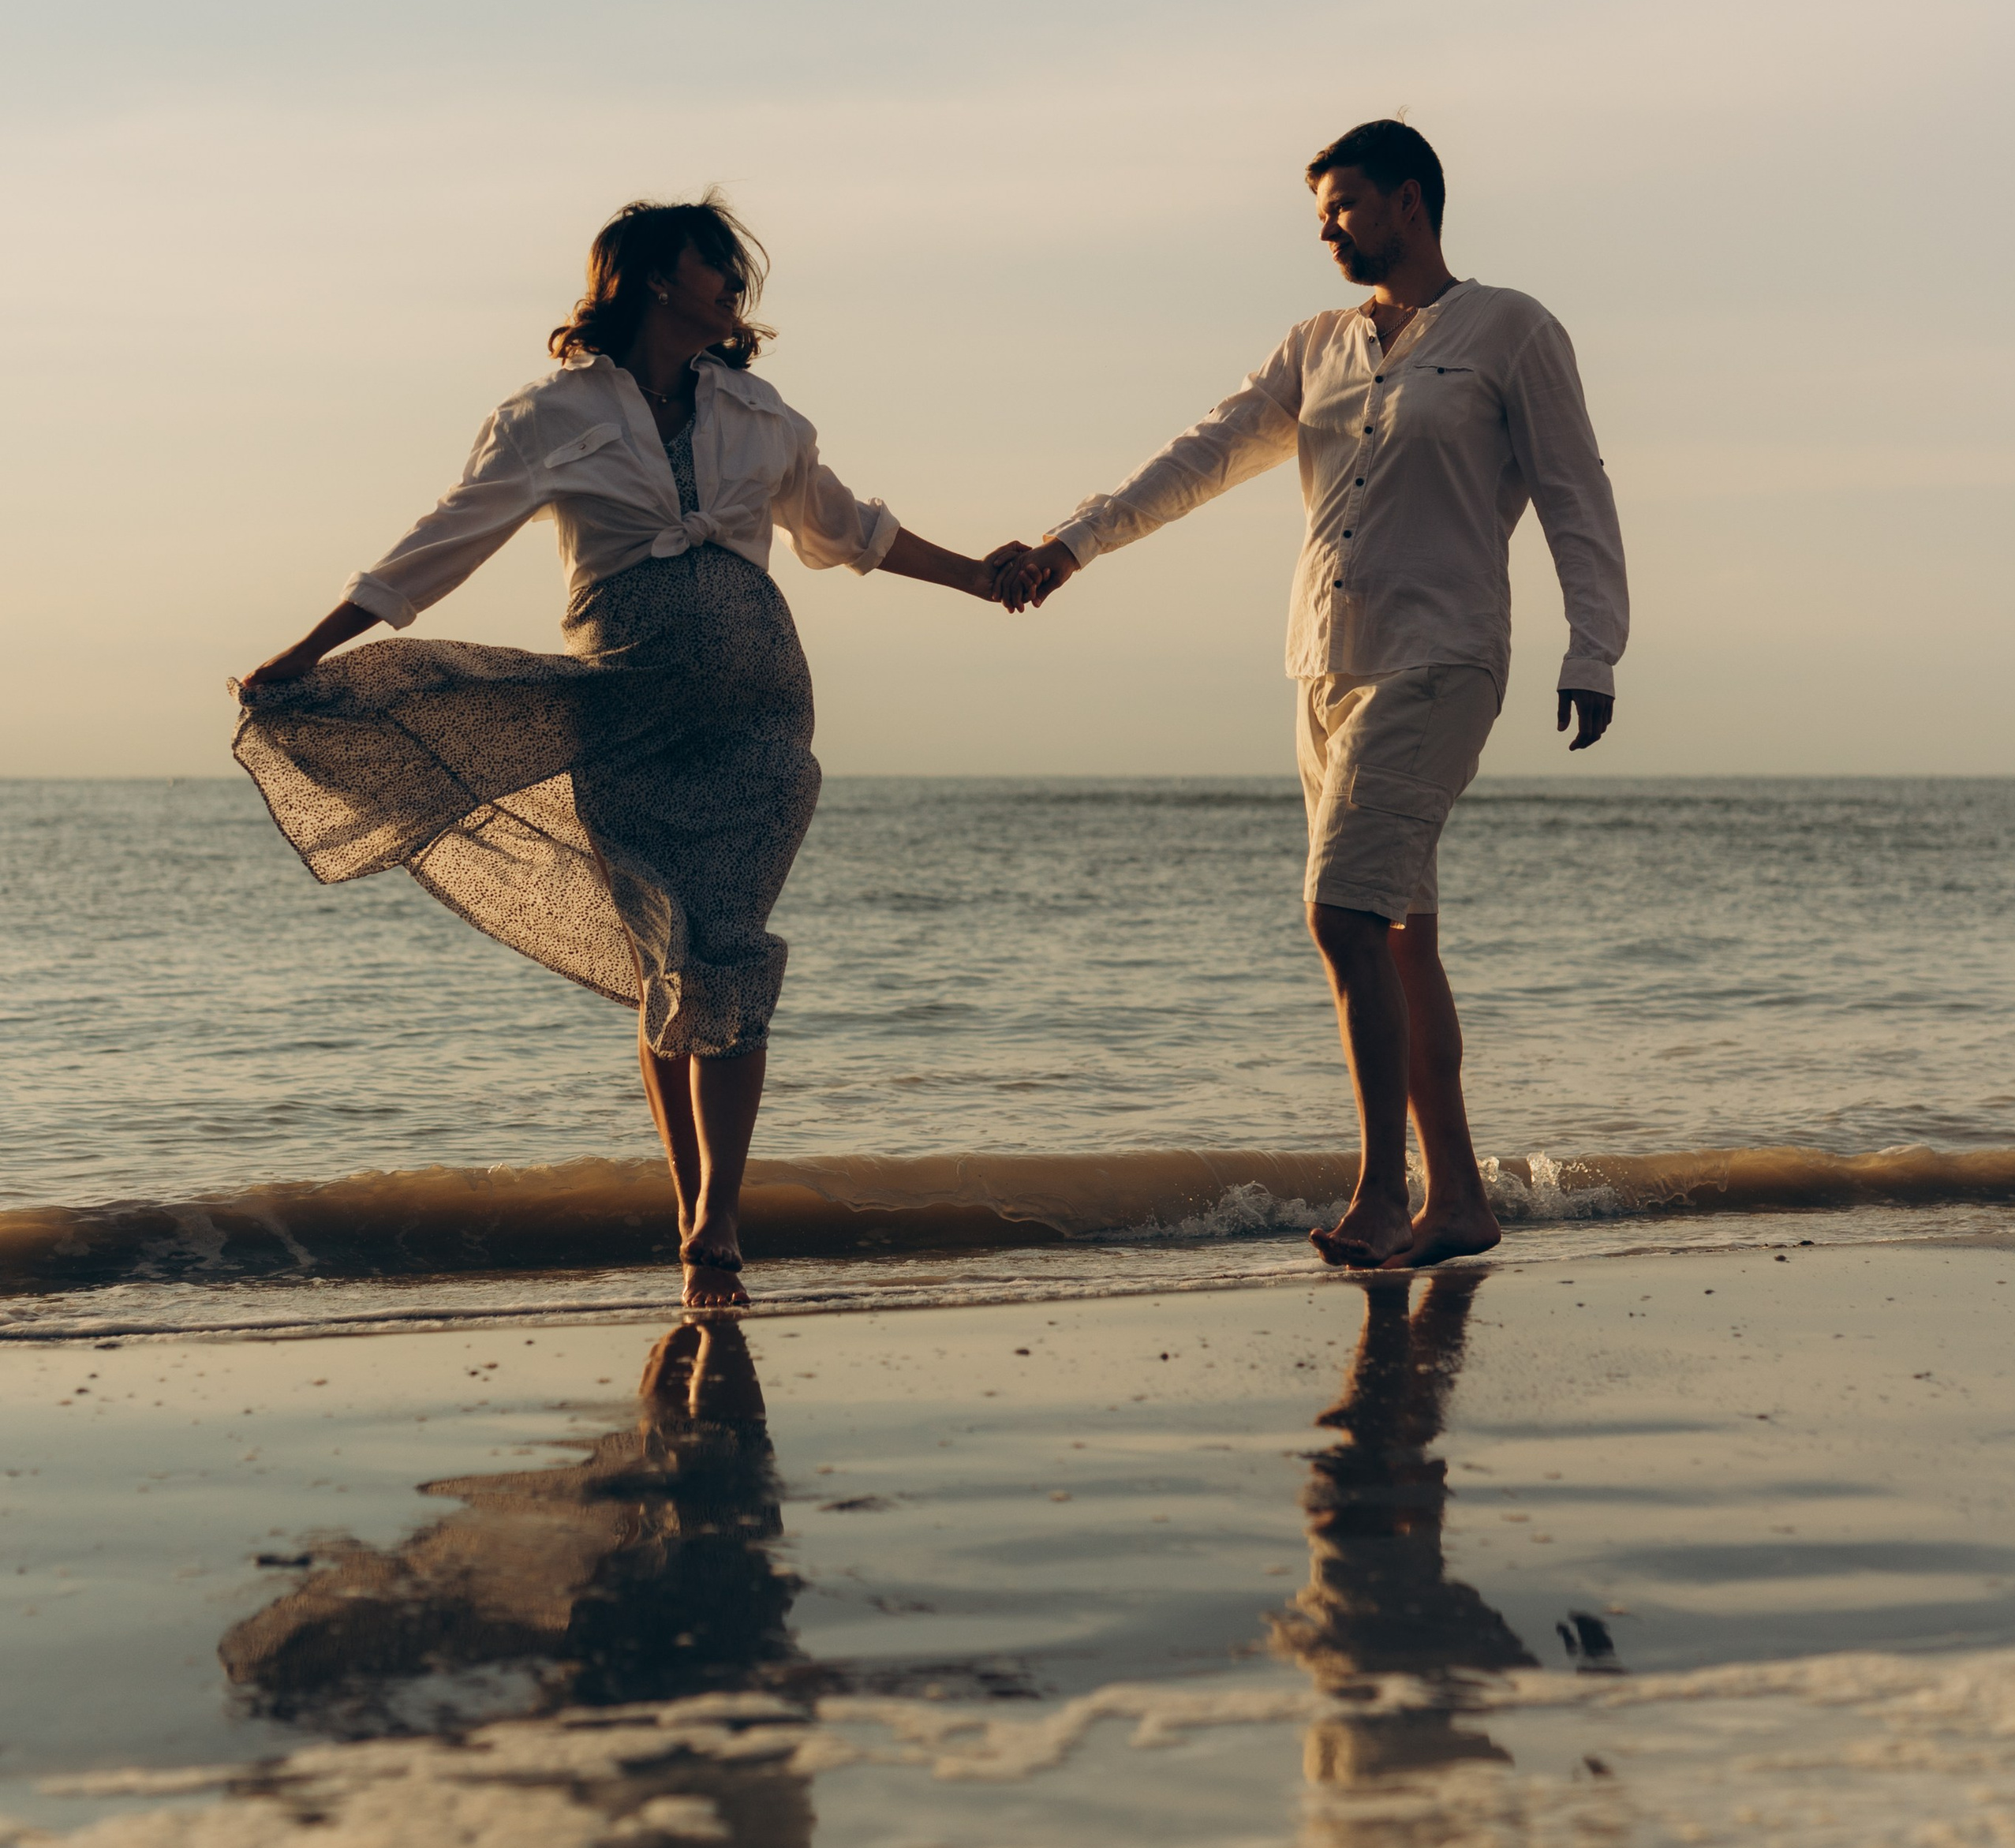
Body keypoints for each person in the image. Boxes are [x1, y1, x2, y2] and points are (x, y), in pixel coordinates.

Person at [236, 193, 1030, 1313]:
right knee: (671, 950)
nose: (734, 289)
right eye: (717, 269)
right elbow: (441, 544)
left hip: (760, 710)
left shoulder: (762, 414)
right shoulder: (550, 416)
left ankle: (720, 1219)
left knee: (732, 944)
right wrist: (308, 650)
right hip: (624, 711)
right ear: (656, 277)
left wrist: (985, 578)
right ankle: (687, 1201)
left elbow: (854, 532)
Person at [1001, 118, 1628, 1271]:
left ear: (1408, 199)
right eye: (1319, 209)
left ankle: (1382, 1197)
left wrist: (1595, 647)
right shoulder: (1317, 345)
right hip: (1324, 662)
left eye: (1342, 203)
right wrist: (1072, 543)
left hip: (1442, 656)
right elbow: (1201, 455)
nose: (1325, 225)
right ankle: (1459, 1202)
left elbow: (1574, 489)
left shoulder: (1511, 330)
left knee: (1341, 913)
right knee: (1399, 939)